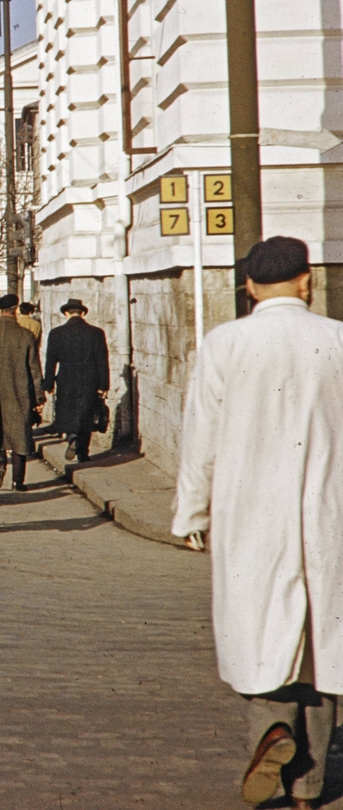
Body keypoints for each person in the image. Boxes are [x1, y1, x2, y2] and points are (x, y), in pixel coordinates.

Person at [173, 237, 340, 810]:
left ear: (248, 286)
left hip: (249, 512)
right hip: (328, 510)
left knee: (261, 630)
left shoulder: (226, 344)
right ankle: (309, 785)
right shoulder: (338, 340)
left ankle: (272, 729)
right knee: (322, 640)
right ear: (306, 280)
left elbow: (201, 437)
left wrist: (191, 512)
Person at [0, 293, 43, 491]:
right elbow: (34, 369)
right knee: (20, 435)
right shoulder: (25, 335)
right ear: (15, 310)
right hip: (19, 392)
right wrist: (38, 397)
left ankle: (0, 461)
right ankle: (18, 481)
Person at [43, 299, 110, 462]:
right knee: (86, 413)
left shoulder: (56, 333)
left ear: (66, 313)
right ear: (82, 313)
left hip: (66, 379)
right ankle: (83, 453)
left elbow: (51, 360)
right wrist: (103, 385)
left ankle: (72, 436)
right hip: (89, 380)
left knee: (68, 411)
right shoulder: (96, 332)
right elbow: (102, 360)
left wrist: (49, 383)